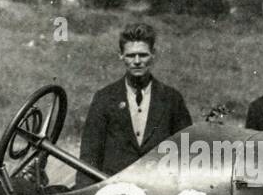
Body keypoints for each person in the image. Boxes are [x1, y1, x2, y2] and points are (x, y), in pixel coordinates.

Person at [78, 22, 192, 183]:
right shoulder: (104, 98)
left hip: (160, 191)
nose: (137, 61)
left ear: (153, 54)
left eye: (143, 55)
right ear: (121, 55)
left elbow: (186, 153)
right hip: (114, 194)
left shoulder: (172, 99)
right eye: (131, 55)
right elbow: (89, 155)